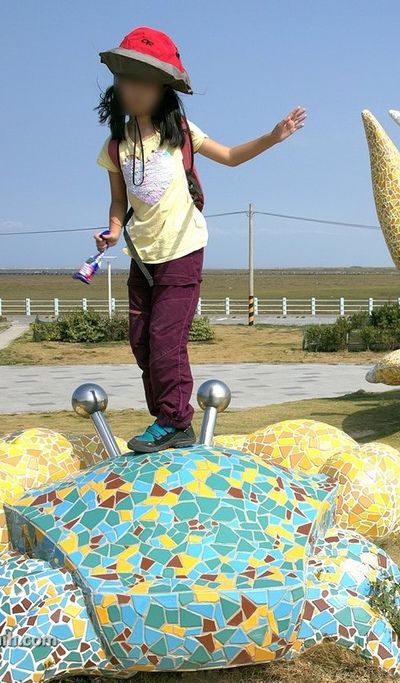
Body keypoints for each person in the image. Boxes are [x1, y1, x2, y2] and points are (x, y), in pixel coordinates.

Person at [93, 27, 307, 452]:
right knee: (141, 342)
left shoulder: (181, 133)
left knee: (167, 339)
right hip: (142, 256)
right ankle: (165, 419)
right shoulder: (115, 146)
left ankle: (175, 420)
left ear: (161, 89)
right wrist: (113, 231)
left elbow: (228, 157)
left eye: (142, 81)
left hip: (183, 252)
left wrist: (272, 137)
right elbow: (118, 202)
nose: (130, 89)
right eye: (125, 79)